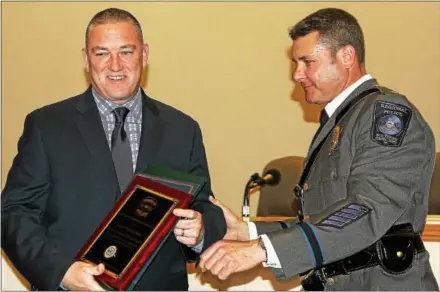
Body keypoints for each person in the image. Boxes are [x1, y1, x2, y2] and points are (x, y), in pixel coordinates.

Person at [198, 7, 439, 291]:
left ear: (346, 56)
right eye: (295, 63)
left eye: (307, 61)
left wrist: (261, 249)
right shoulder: (344, 120)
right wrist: (247, 231)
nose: (297, 75)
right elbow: (325, 220)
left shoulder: (386, 114)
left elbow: (368, 208)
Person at [1, 7, 225, 291]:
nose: (115, 65)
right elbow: (13, 212)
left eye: (126, 52)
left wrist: (202, 229)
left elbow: (205, 204)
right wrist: (62, 272)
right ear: (86, 59)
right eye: (101, 53)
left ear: (144, 54)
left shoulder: (182, 128)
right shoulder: (46, 126)